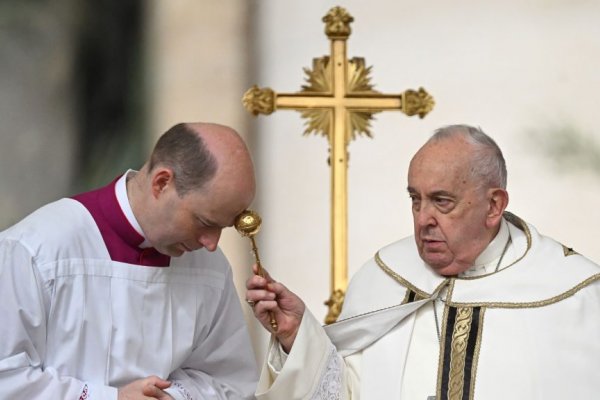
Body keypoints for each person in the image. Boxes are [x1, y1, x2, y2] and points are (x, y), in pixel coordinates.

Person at [246, 124, 600, 399]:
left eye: (442, 201)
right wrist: (297, 338)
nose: (422, 219)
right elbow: (345, 392)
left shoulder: (573, 294)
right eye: (415, 200)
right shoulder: (383, 278)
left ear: (494, 206)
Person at [0, 122, 259, 399]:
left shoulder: (211, 268)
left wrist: (175, 396)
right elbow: (7, 377)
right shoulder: (35, 249)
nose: (211, 243)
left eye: (223, 227)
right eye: (204, 222)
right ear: (161, 183)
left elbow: (230, 381)